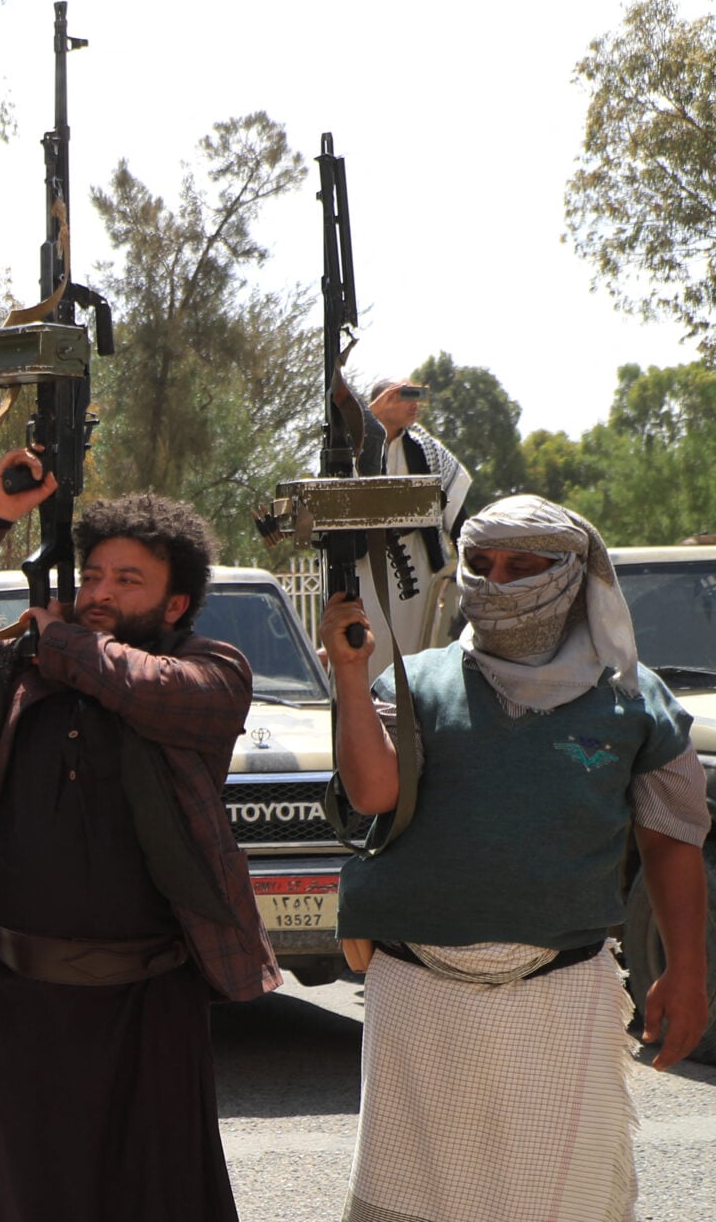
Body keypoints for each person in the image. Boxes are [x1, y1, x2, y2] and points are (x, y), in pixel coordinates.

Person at [0, 454, 279, 1222]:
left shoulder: (212, 670)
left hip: (149, 1010)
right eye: (92, 575)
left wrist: (63, 639)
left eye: (127, 581)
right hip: (21, 1006)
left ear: (175, 604)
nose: (100, 592)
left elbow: (147, 688)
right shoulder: (17, 669)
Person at [326, 494, 710, 1222]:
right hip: (418, 991)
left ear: (572, 575)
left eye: (522, 566)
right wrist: (349, 673)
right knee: (413, 1199)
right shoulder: (415, 682)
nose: (496, 581)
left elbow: (671, 839)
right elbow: (373, 793)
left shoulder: (635, 700)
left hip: (563, 991)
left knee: (561, 1199)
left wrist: (686, 972)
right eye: (480, 563)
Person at [363, 377, 473, 675]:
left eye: (418, 395)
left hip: (417, 565)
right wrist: (369, 416)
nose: (415, 404)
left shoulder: (426, 449)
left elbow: (457, 513)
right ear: (383, 401)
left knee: (417, 653)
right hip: (366, 567)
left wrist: (471, 565)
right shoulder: (356, 446)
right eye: (405, 396)